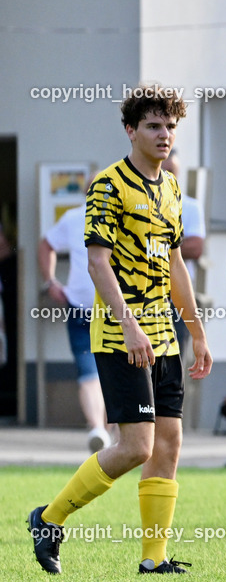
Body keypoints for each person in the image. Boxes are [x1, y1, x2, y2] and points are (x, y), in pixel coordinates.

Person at [27, 83, 212, 575]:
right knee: (136, 447)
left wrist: (199, 332)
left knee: (168, 445)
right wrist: (129, 324)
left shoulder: (171, 189)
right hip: (119, 333)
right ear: (130, 130)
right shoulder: (109, 186)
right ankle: (49, 518)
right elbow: (95, 262)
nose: (164, 134)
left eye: (170, 126)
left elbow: (176, 267)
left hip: (167, 334)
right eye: (153, 125)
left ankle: (153, 560)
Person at [38, 179, 116, 451]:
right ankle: (98, 429)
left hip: (114, 310)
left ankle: (103, 430)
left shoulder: (121, 218)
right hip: (83, 308)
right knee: (90, 372)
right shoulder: (74, 218)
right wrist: (50, 282)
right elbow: (46, 244)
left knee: (103, 373)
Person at [161, 149, 206, 355]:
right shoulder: (137, 201)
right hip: (144, 299)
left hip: (177, 297)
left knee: (174, 360)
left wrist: (155, 246)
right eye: (164, 169)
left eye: (172, 171)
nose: (168, 175)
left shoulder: (188, 206)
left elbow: (196, 248)